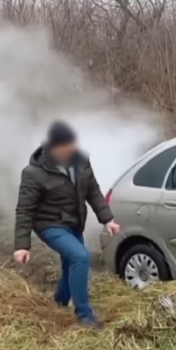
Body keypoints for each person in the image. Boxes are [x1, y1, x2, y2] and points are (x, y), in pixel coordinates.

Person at [13, 121, 120, 329]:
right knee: (80, 257)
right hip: (49, 225)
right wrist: (21, 246)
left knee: (71, 263)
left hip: (74, 222)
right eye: (66, 145)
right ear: (54, 147)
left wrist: (107, 219)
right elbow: (24, 210)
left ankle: (60, 301)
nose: (72, 149)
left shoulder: (81, 162)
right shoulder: (33, 173)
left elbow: (93, 192)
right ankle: (85, 315)